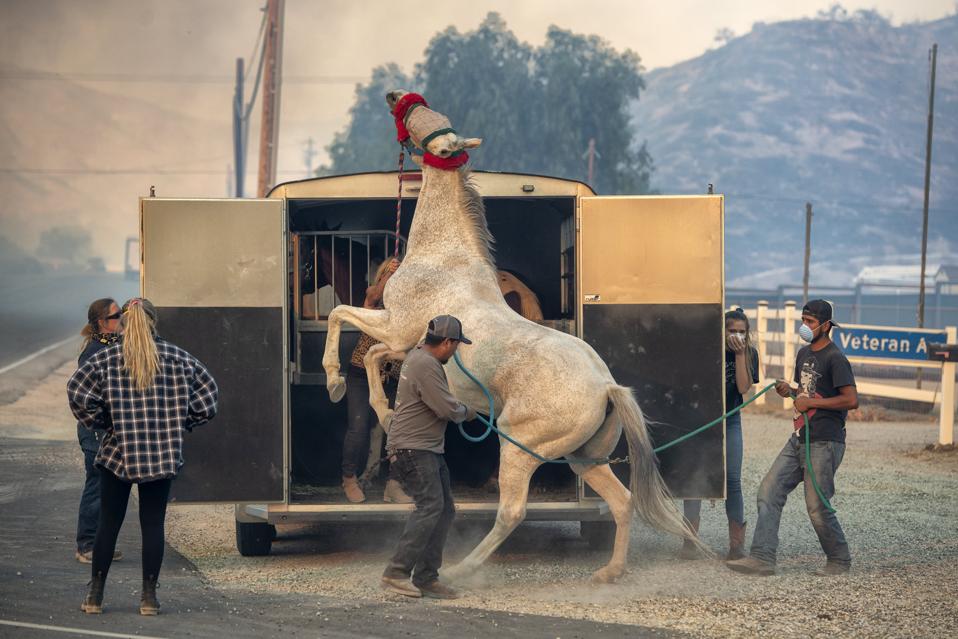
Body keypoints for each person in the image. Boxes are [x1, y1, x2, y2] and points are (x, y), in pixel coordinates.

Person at [68, 298, 218, 615]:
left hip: (118, 453)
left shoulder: (107, 359)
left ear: (123, 323)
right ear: (154, 322)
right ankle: (148, 599)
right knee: (152, 525)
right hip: (162, 456)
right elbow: (208, 401)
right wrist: (181, 423)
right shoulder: (180, 359)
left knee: (109, 523)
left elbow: (77, 392)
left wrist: (104, 422)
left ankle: (95, 595)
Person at [727, 299, 856, 577]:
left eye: (810, 322)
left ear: (826, 326)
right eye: (804, 320)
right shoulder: (803, 354)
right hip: (800, 437)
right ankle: (762, 557)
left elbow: (851, 399)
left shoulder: (836, 358)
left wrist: (811, 404)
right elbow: (806, 393)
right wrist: (790, 391)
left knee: (817, 506)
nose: (805, 327)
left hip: (824, 441)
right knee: (769, 491)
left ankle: (839, 559)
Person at [380, 315, 477, 600]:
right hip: (414, 448)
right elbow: (446, 409)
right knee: (430, 506)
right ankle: (396, 573)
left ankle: (426, 577)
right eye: (457, 345)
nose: (456, 350)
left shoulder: (420, 357)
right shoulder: (426, 364)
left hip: (425, 447)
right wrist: (468, 411)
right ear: (447, 343)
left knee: (444, 509)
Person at [679, 308, 758, 560]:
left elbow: (744, 387)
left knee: (732, 481)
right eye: (731, 330)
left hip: (730, 420)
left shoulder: (749, 353)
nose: (736, 335)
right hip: (701, 422)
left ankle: (736, 546)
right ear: (722, 331)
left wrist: (741, 354)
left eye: (742, 332)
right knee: (694, 479)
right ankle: (689, 542)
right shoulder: (707, 350)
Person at [342, 257, 411, 504]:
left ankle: (393, 484)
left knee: (398, 431)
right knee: (358, 428)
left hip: (392, 377)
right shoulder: (374, 298)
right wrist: (388, 276)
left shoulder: (408, 308)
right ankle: (349, 478)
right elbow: (373, 295)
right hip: (362, 373)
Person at [75, 298, 124, 564]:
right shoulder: (94, 352)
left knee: (107, 488)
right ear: (102, 323)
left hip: (105, 429)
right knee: (96, 487)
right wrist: (100, 422)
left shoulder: (113, 347)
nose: (122, 319)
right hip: (95, 430)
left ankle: (100, 544)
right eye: (117, 316)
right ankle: (86, 545)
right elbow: (84, 396)